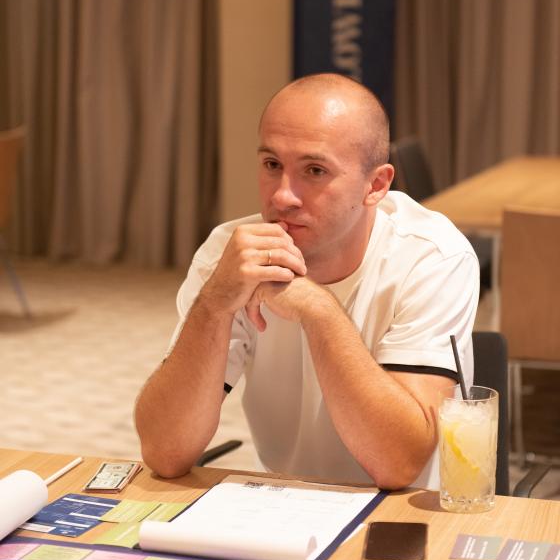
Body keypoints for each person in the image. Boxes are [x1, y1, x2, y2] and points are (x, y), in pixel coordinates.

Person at [135, 73, 479, 489]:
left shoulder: (432, 257)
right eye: (272, 165)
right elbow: (165, 452)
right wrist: (214, 303)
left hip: (406, 509)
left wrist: (317, 309)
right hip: (286, 502)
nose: (282, 196)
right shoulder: (229, 256)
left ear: (376, 185)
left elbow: (399, 465)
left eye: (314, 170)